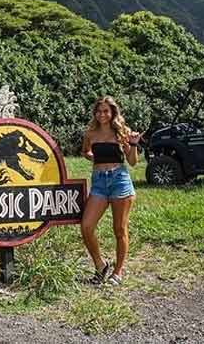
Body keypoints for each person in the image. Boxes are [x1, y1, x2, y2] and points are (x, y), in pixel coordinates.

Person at [80, 96, 141, 286]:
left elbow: (132, 161)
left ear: (113, 112)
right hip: (99, 181)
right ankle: (100, 264)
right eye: (99, 111)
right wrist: (97, 158)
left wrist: (133, 144)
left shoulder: (122, 132)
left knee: (119, 229)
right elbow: (85, 152)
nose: (102, 115)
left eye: (106, 111)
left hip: (119, 180)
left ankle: (118, 271)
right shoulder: (91, 133)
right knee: (86, 226)